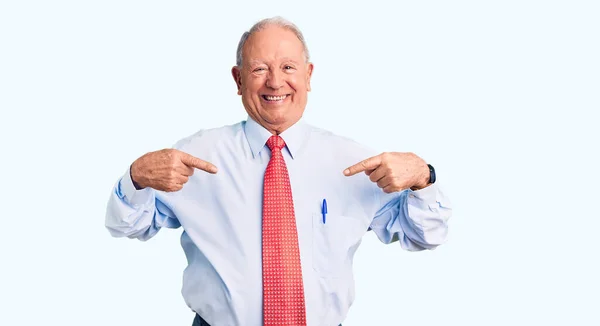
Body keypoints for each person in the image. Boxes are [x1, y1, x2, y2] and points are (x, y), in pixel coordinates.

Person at [105, 16, 452, 326]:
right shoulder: (195, 157)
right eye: (259, 69)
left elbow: (425, 235)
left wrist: (424, 179)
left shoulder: (354, 162)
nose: (275, 82)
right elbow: (127, 225)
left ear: (308, 75)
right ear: (238, 79)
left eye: (288, 67)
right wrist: (135, 177)